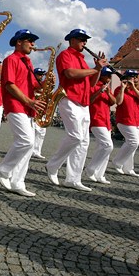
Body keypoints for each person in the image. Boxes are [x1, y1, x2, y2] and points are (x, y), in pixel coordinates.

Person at [45, 29, 107, 192]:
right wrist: (94, 69)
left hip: (83, 103)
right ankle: (53, 165)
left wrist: (98, 69)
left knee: (83, 142)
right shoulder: (66, 55)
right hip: (69, 99)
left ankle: (73, 179)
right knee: (76, 136)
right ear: (72, 40)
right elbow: (70, 73)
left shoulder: (83, 59)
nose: (84, 43)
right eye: (81, 39)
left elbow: (92, 84)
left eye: (85, 40)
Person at [0, 29, 45, 197]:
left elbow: (34, 86)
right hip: (16, 104)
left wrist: (45, 84)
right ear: (19, 42)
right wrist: (28, 101)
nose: (33, 44)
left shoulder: (28, 62)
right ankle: (4, 168)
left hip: (27, 107)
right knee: (26, 140)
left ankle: (18, 181)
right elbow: (9, 84)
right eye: (29, 40)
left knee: (28, 145)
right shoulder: (11, 59)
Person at [111, 70, 139, 176]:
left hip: (136, 121)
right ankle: (117, 161)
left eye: (135, 77)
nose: (134, 79)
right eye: (132, 77)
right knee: (133, 142)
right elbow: (118, 102)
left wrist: (134, 88)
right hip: (124, 120)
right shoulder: (119, 89)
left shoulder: (137, 90)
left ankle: (129, 168)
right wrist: (123, 88)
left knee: (133, 145)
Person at [85, 66, 116, 184]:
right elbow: (89, 101)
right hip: (96, 120)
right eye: (107, 75)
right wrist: (100, 91)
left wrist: (108, 92)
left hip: (106, 121)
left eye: (110, 76)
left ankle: (100, 175)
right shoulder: (93, 86)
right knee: (108, 146)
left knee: (103, 149)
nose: (109, 78)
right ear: (101, 75)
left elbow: (114, 102)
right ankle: (90, 168)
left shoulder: (108, 88)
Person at [31, 67, 47, 160]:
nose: (41, 76)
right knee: (33, 132)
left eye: (42, 75)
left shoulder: (44, 84)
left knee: (41, 133)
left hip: (42, 111)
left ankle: (37, 151)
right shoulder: (32, 82)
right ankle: (30, 150)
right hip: (34, 110)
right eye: (39, 74)